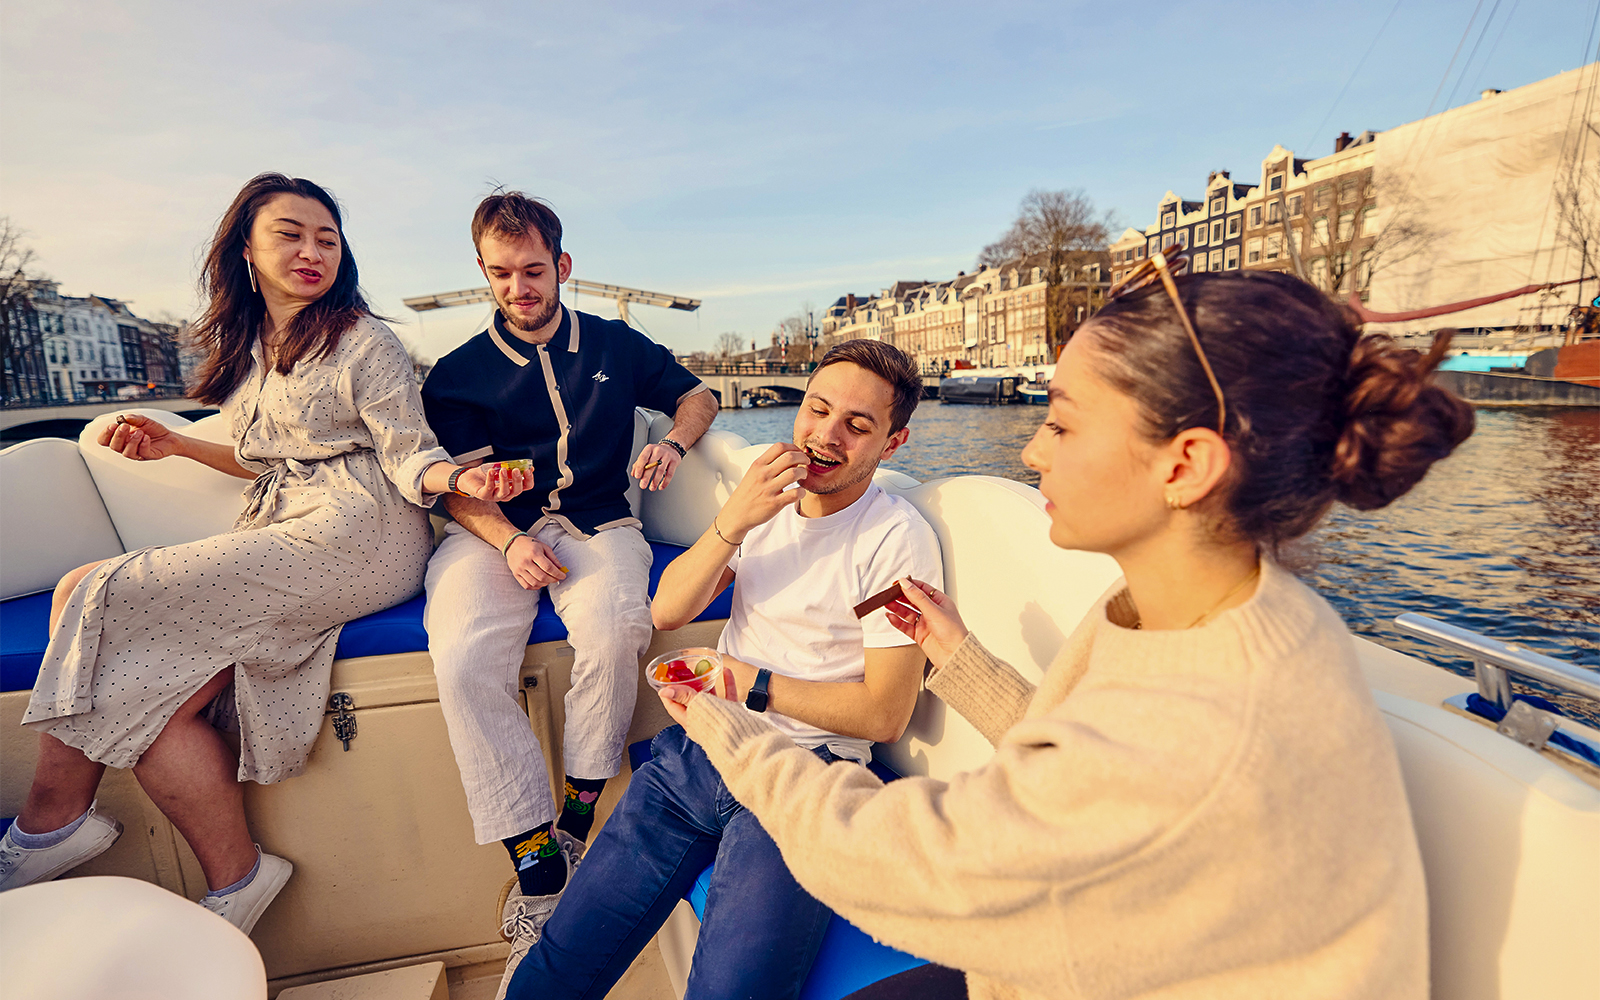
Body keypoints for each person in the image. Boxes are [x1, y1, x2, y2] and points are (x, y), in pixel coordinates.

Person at [661, 262, 1474, 1000]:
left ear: (1184, 466)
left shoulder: (1209, 725)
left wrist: (731, 723)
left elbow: (904, 866)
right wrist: (961, 659)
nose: (1030, 450)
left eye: (1061, 424)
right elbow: (1077, 752)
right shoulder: (1206, 603)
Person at [0, 174, 531, 932]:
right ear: (245, 248)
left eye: (326, 237)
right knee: (152, 700)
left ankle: (48, 822)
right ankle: (238, 880)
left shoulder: (363, 339)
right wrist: (178, 444)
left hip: (361, 533)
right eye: (291, 233)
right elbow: (276, 459)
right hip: (286, 526)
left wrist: (458, 476)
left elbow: (409, 454)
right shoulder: (248, 348)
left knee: (91, 587)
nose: (313, 250)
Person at [504, 340, 943, 1000]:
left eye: (857, 425)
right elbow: (668, 608)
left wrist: (749, 684)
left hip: (803, 779)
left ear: (894, 441)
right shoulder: (765, 505)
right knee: (559, 960)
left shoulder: (895, 538)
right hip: (699, 752)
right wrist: (733, 521)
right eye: (817, 410)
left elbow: (883, 713)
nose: (826, 435)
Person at [417, 191, 720, 982]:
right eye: (501, 273)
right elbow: (457, 491)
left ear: (563, 267)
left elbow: (697, 396)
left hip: (598, 523)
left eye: (533, 270)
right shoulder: (457, 375)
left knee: (622, 624)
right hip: (490, 533)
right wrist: (511, 540)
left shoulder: (617, 344)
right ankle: (536, 858)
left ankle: (578, 815)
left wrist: (678, 445)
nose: (519, 287)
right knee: (461, 657)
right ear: (482, 273)